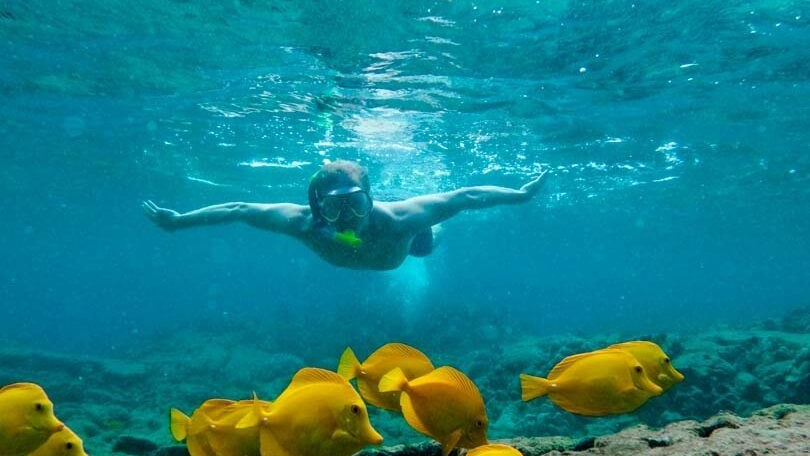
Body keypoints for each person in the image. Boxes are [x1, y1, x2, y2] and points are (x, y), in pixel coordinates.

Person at [143, 160, 546, 271]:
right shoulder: (303, 224)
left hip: (411, 244)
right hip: (382, 251)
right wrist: (178, 222)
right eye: (335, 207)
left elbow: (466, 195)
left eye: (356, 202)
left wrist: (520, 195)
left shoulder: (401, 219)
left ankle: (433, 232)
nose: (349, 215)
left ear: (371, 199)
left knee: (427, 242)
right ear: (318, 207)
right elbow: (239, 209)